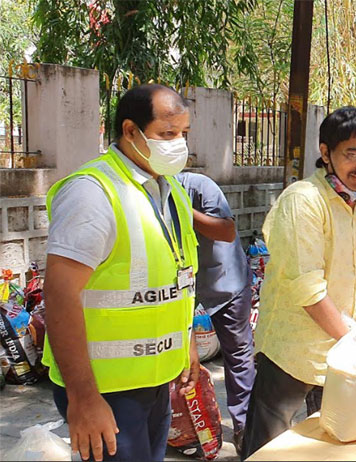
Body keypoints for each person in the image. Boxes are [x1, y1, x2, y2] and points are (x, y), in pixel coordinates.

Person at [42, 84, 199, 462]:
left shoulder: (168, 188)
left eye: (183, 134)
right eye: (167, 134)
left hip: (155, 380)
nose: (178, 144)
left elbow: (178, 277)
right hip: (104, 391)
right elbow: (60, 295)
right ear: (130, 131)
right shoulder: (93, 193)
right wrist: (83, 398)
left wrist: (186, 345)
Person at [241, 107, 356, 459]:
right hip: (294, 351)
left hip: (345, 353)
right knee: (267, 448)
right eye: (352, 154)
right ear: (326, 152)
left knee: (336, 444)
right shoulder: (303, 201)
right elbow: (308, 288)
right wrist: (355, 342)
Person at [176, 172, 254, 455]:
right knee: (177, 362)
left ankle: (245, 426)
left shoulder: (198, 187)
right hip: (179, 291)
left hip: (226, 284)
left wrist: (181, 209)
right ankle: (187, 430)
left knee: (238, 354)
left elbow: (226, 230)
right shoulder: (141, 198)